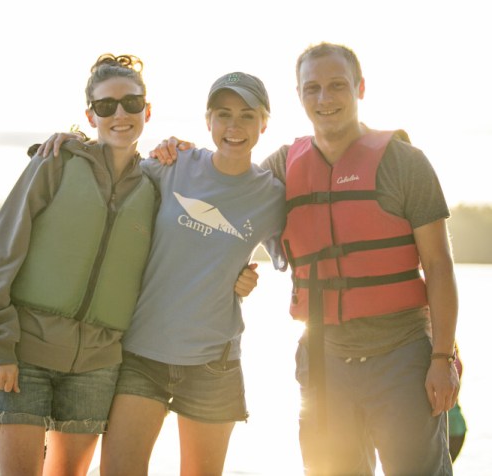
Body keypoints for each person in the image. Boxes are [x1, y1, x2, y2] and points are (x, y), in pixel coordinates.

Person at [154, 42, 460, 475]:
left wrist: (442, 359)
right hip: (323, 361)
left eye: (337, 86)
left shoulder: (405, 163)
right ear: (299, 96)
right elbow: (227, 196)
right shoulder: (282, 165)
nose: (324, 99)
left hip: (403, 356)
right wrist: (177, 153)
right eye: (312, 88)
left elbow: (441, 266)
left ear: (360, 88)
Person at [36, 71, 286, 475]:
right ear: (208, 121)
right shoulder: (174, 163)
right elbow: (110, 168)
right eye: (223, 115)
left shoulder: (273, 196)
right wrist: (72, 145)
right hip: (142, 354)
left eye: (246, 116)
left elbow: (297, 252)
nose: (234, 127)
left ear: (264, 123)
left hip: (213, 363)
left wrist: (246, 280)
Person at [0, 53, 159, 476]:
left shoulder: (156, 184)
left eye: (131, 103)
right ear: (90, 115)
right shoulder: (56, 162)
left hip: (98, 365)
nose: (120, 114)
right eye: (106, 106)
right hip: (23, 355)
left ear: (147, 110)